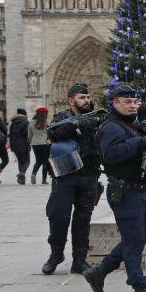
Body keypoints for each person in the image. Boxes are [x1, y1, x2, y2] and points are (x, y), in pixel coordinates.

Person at [83, 85, 146, 292]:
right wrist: (139, 142)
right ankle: (140, 288)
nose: (132, 105)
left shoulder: (132, 125)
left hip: (137, 190)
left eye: (135, 102)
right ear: (115, 103)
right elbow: (110, 156)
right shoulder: (111, 127)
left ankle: (99, 272)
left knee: (139, 236)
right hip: (124, 191)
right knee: (134, 239)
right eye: (126, 102)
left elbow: (143, 149)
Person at [42, 83, 102, 275]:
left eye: (88, 97)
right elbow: (52, 132)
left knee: (83, 219)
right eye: (82, 97)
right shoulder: (62, 118)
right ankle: (56, 254)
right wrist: (76, 124)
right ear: (71, 100)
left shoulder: (97, 118)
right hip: (66, 176)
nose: (86, 101)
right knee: (59, 215)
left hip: (89, 174)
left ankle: (79, 260)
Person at [29, 107, 52, 185]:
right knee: (45, 162)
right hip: (46, 143)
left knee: (38, 161)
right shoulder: (48, 122)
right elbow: (51, 134)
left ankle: (33, 174)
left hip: (35, 144)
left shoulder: (31, 122)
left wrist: (30, 143)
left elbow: (29, 135)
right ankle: (44, 180)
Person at [9, 108, 31, 185]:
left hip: (15, 145)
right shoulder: (26, 122)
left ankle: (22, 180)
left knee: (20, 161)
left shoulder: (13, 123)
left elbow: (10, 135)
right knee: (27, 161)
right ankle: (22, 173)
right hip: (24, 144)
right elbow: (26, 134)